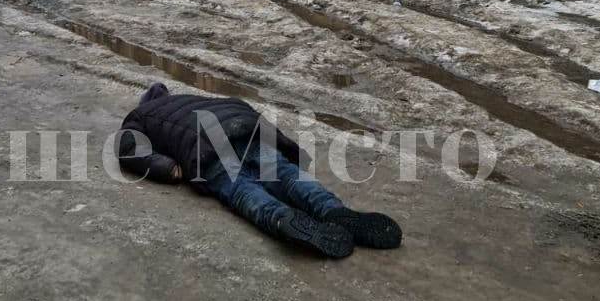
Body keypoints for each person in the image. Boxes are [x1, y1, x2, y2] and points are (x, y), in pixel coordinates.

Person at [117, 83, 402, 258]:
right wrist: (281, 142)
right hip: (246, 127)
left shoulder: (142, 115)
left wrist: (168, 169)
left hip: (205, 147)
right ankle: (332, 210)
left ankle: (281, 219)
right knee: (284, 173)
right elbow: (236, 105)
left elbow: (129, 148)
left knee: (242, 188)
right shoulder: (192, 99)